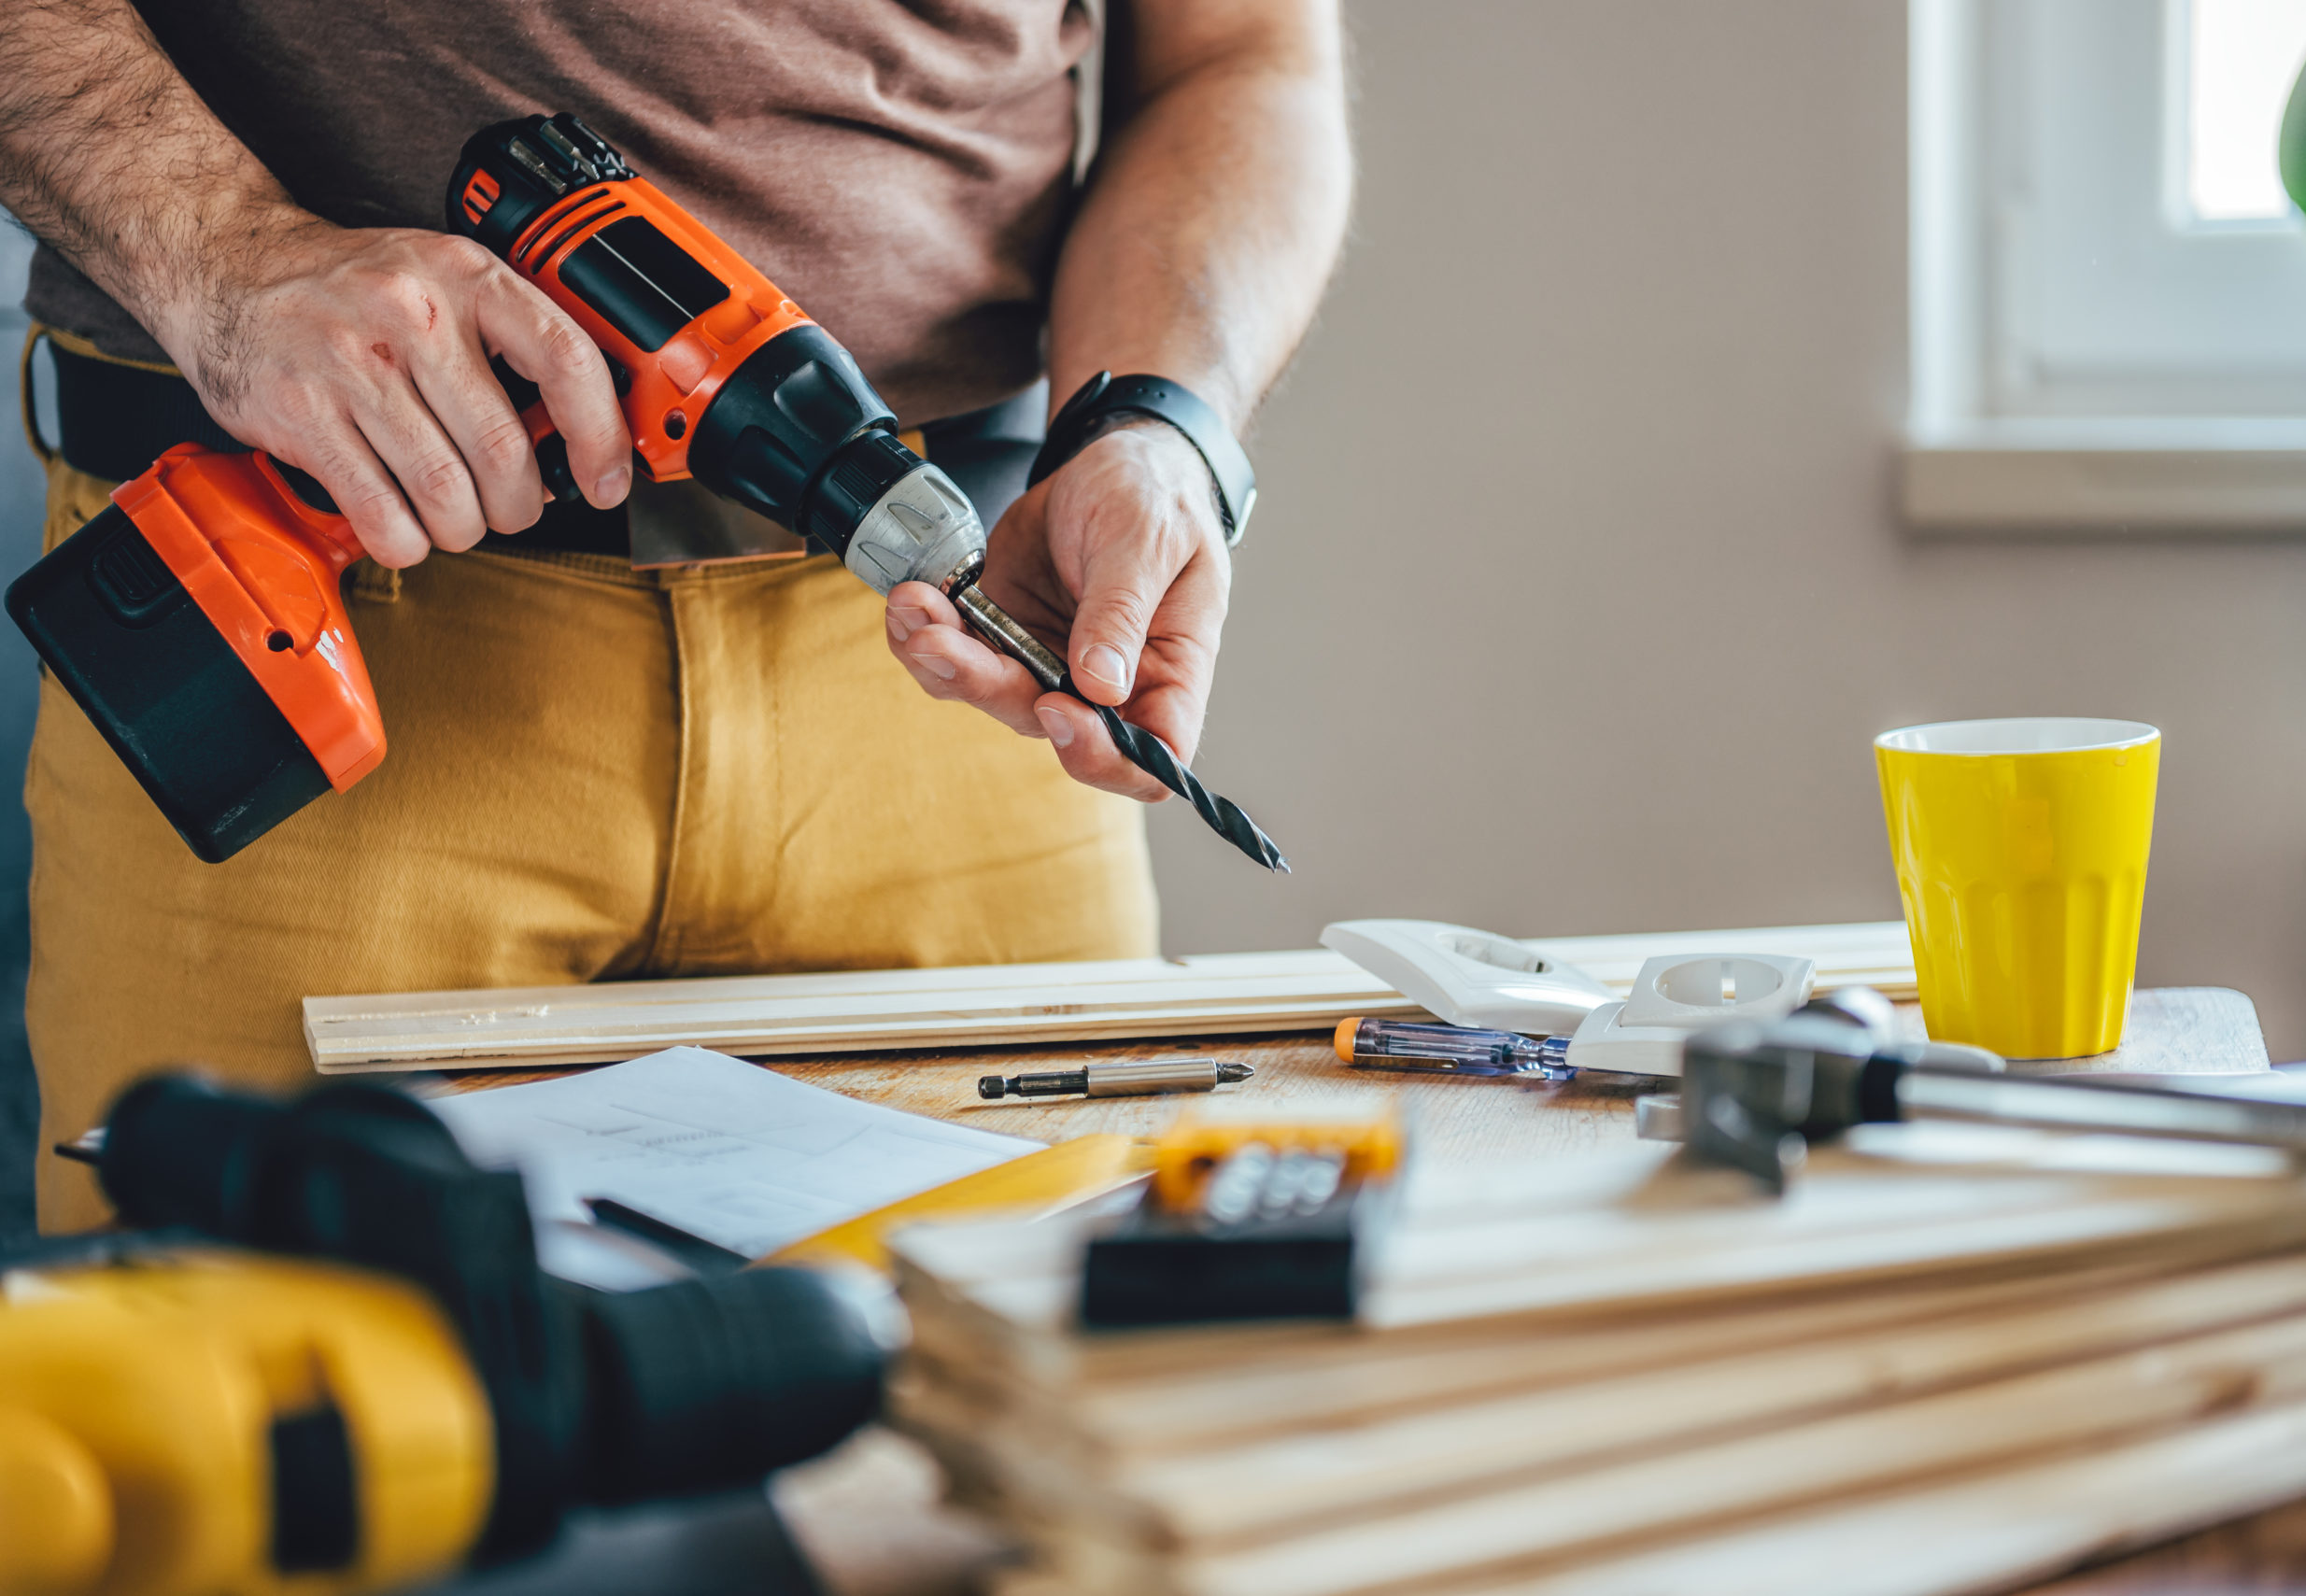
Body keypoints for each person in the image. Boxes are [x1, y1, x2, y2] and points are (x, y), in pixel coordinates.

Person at [0, 1, 1351, 1231]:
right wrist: (229, 254)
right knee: (246, 1422)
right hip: (305, 616)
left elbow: (1241, 57)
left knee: (1023, 1391)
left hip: (968, 680)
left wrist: (1161, 426)